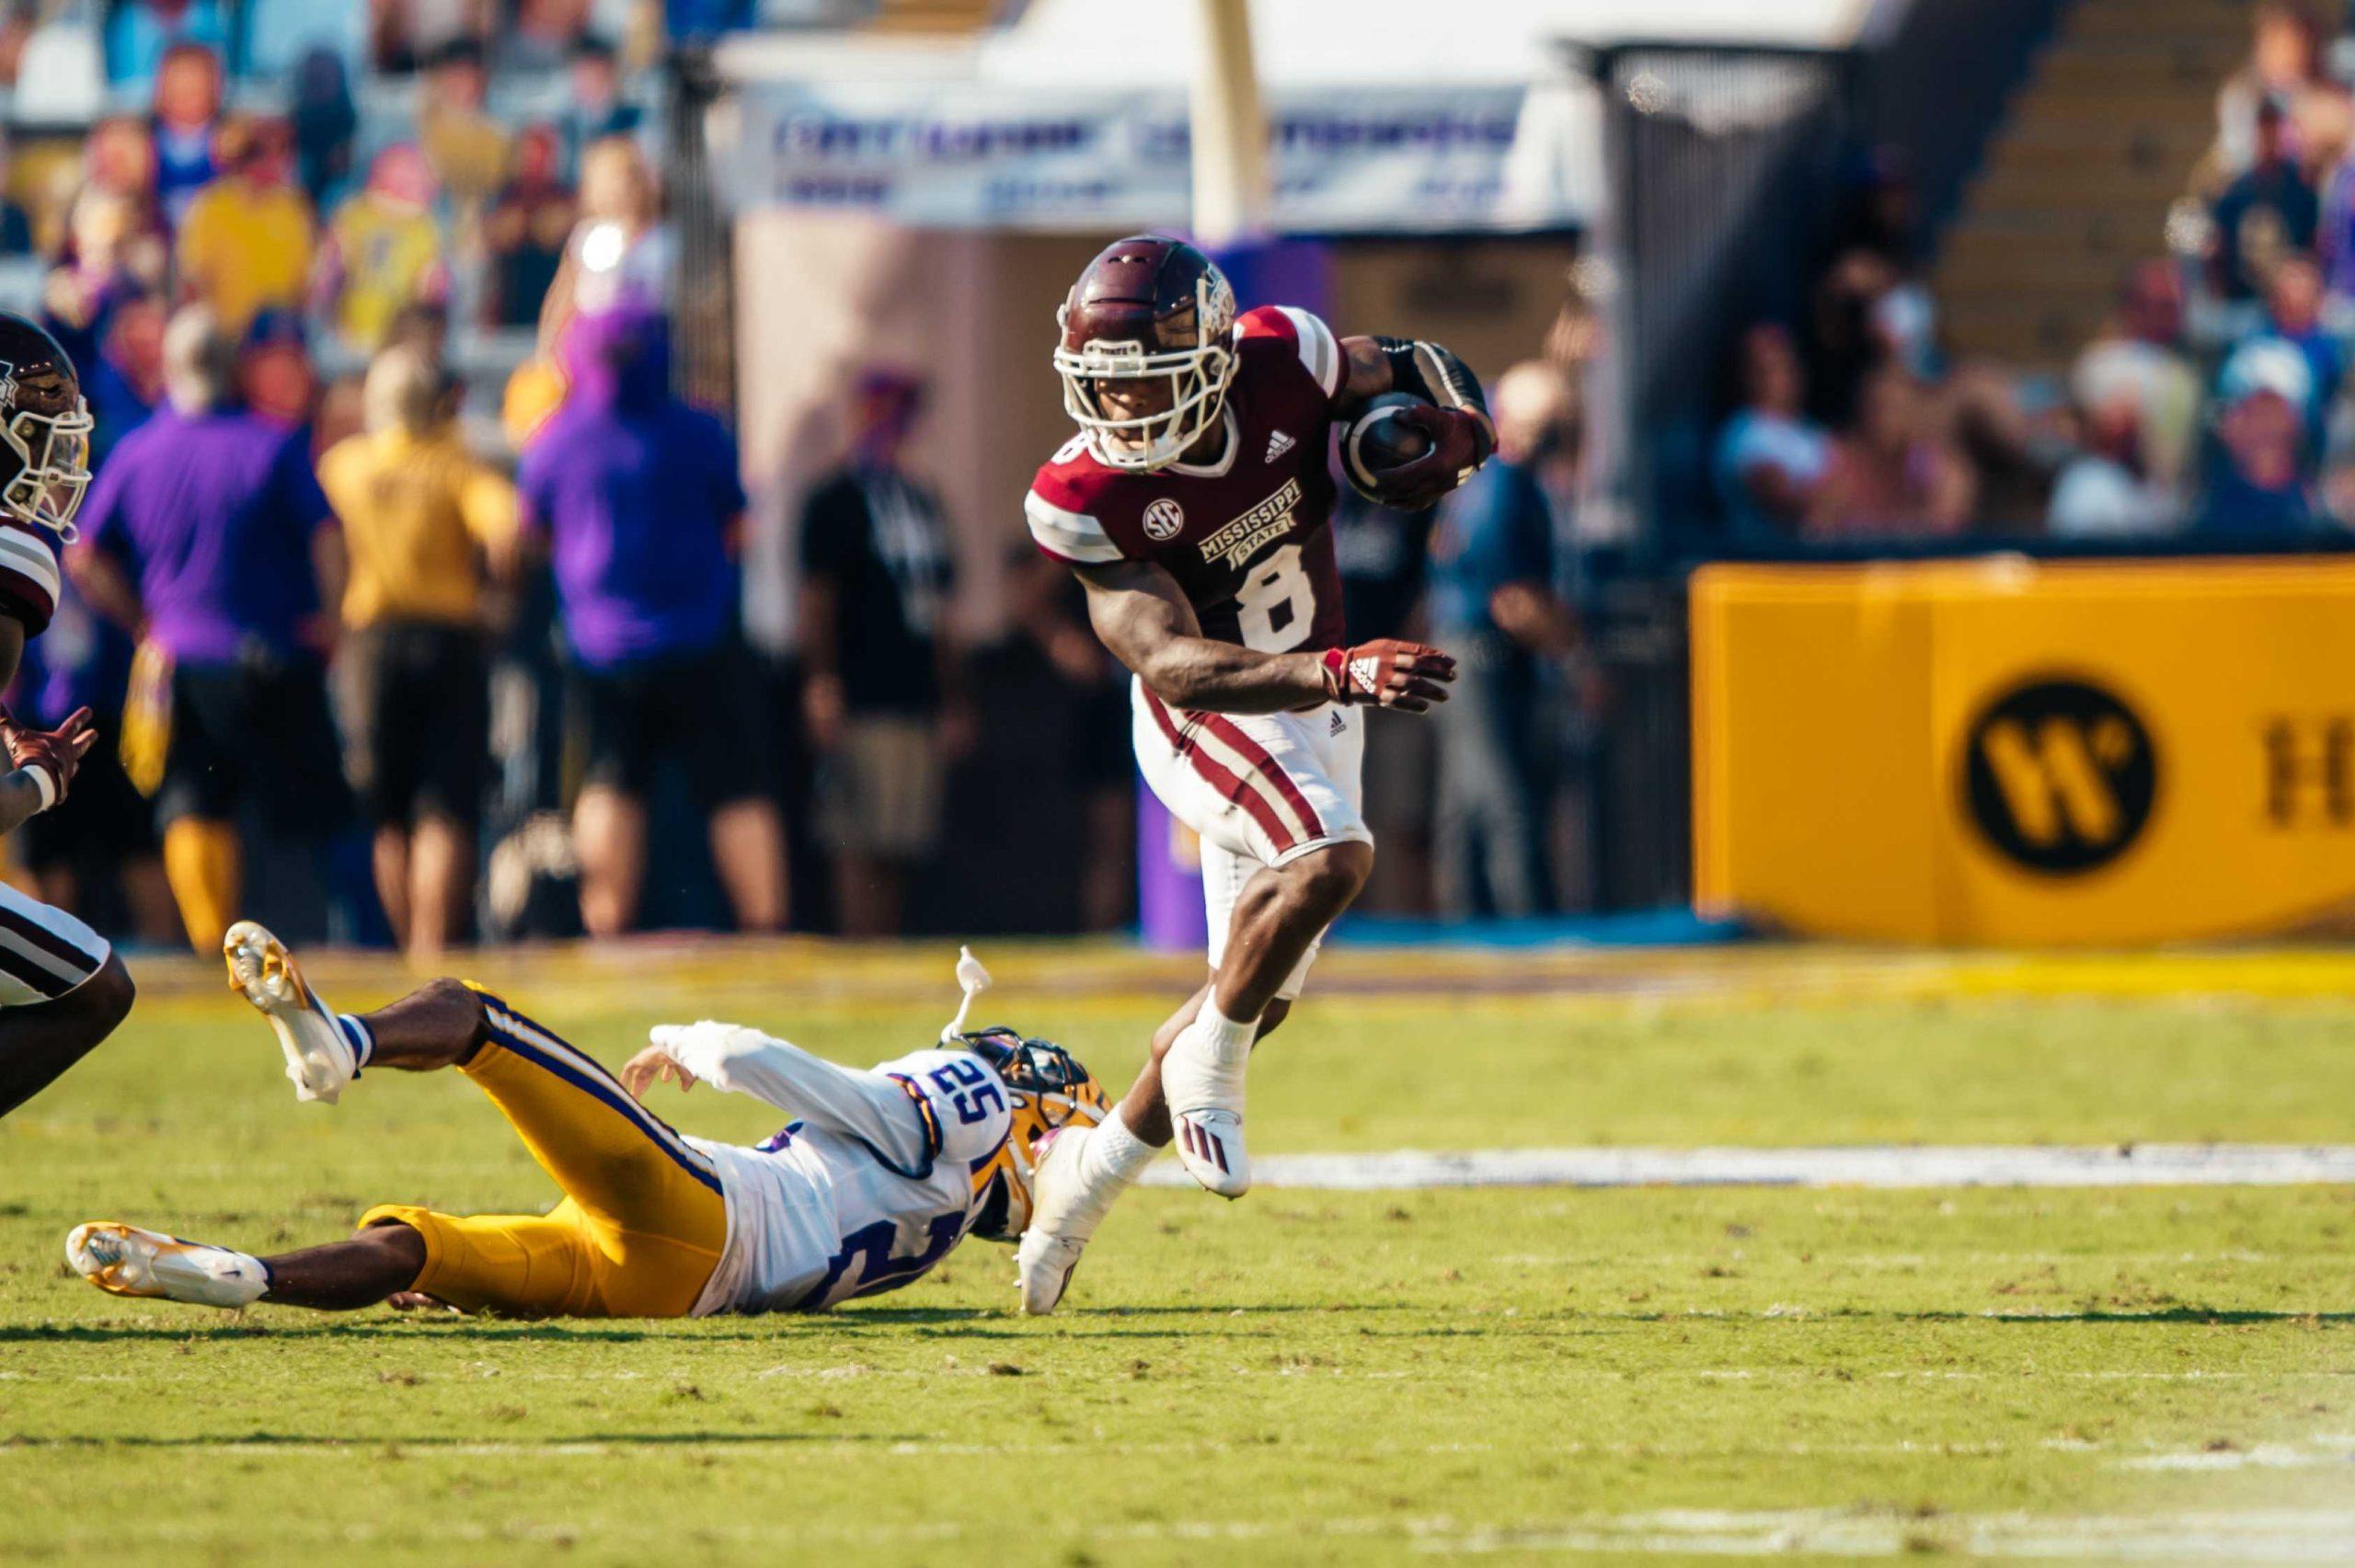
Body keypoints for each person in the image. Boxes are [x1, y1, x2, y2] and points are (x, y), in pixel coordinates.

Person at [1011, 235, 1488, 1311]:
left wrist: (1464, 431)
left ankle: (1075, 1192)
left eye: (1148, 382)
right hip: (1209, 709)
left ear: (1214, 360)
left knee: (1254, 992)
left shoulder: (1285, 356)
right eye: (1107, 387)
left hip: (1319, 697)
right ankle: (1210, 1083)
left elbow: (1416, 361)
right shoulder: (1080, 493)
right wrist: (1338, 670)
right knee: (1333, 855)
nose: (1125, 411)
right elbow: (1170, 663)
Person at [68, 929, 1107, 1319]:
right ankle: (247, 1275)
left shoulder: (964, 1118)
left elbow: (760, 1064)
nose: (1013, 1071)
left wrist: (685, 1039)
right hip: (670, 1290)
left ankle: (343, 1042)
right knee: (425, 1251)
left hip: (703, 1207)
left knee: (477, 1012)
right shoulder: (936, 1230)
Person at [65, 305, 351, 954]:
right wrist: (333, 619)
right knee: (293, 817)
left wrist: (142, 622)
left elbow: (83, 555)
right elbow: (327, 535)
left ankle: (210, 944)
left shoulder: (139, 449)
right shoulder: (275, 444)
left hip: (178, 662)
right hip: (274, 656)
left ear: (171, 367)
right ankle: (301, 946)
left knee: (191, 803)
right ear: (235, 370)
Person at [518, 307, 785, 937]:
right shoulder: (698, 431)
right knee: (734, 786)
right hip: (698, 639)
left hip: (601, 647)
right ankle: (767, 924)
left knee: (611, 785)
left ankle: (607, 926)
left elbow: (526, 534)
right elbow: (739, 528)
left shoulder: (557, 437)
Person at [317, 343, 516, 962]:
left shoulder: (344, 466)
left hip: (371, 642)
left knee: (389, 811)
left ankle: (408, 945)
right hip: (448, 638)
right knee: (446, 803)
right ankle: (433, 946)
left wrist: (333, 610)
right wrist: (497, 598)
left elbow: (315, 535)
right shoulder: (456, 465)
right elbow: (508, 528)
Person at [0, 314, 140, 1120]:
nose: (58, 459)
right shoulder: (11, 568)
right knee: (95, 982)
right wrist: (38, 786)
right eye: (37, 435)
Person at [798, 371, 971, 937]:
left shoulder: (921, 500)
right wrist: (821, 681)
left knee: (903, 835)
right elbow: (817, 600)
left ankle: (887, 944)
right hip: (860, 687)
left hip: (914, 690)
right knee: (857, 834)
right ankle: (859, 945)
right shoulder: (834, 500)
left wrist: (953, 697)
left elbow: (941, 607)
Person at [1427, 361, 1580, 921]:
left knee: (1466, 807)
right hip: (1484, 657)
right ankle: (1525, 930)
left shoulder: (1482, 482)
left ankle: (1468, 924)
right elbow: (1515, 601)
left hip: (1462, 653)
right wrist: (1576, 656)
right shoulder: (1506, 487)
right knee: (1507, 803)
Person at [175, 117, 314, 337]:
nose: (277, 165)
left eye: (283, 156)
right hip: (223, 335)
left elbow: (305, 283)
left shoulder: (294, 209)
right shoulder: (212, 205)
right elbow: (193, 277)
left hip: (276, 334)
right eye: (269, 156)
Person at [1805, 361, 1975, 538]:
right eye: (1875, 407)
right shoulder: (1839, 461)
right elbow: (1816, 532)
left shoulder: (1940, 465)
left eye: (1893, 407)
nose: (1883, 418)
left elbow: (1942, 528)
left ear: (1912, 411)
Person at [315, 143, 448, 353]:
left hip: (397, 337)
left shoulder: (423, 229)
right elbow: (328, 273)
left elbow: (430, 288)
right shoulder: (353, 216)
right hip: (352, 330)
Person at [1714, 323, 1828, 538]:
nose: (1776, 377)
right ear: (1745, 375)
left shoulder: (1811, 430)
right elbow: (1788, 502)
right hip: (1772, 562)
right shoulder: (1743, 435)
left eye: (1784, 365)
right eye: (1762, 368)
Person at [2211, 98, 2320, 305]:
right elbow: (2220, 248)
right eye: (2263, 127)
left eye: (2274, 127)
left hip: (2290, 308)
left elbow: (2313, 248)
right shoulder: (2235, 192)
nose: (2269, 135)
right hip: (2243, 301)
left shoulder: (2301, 190)